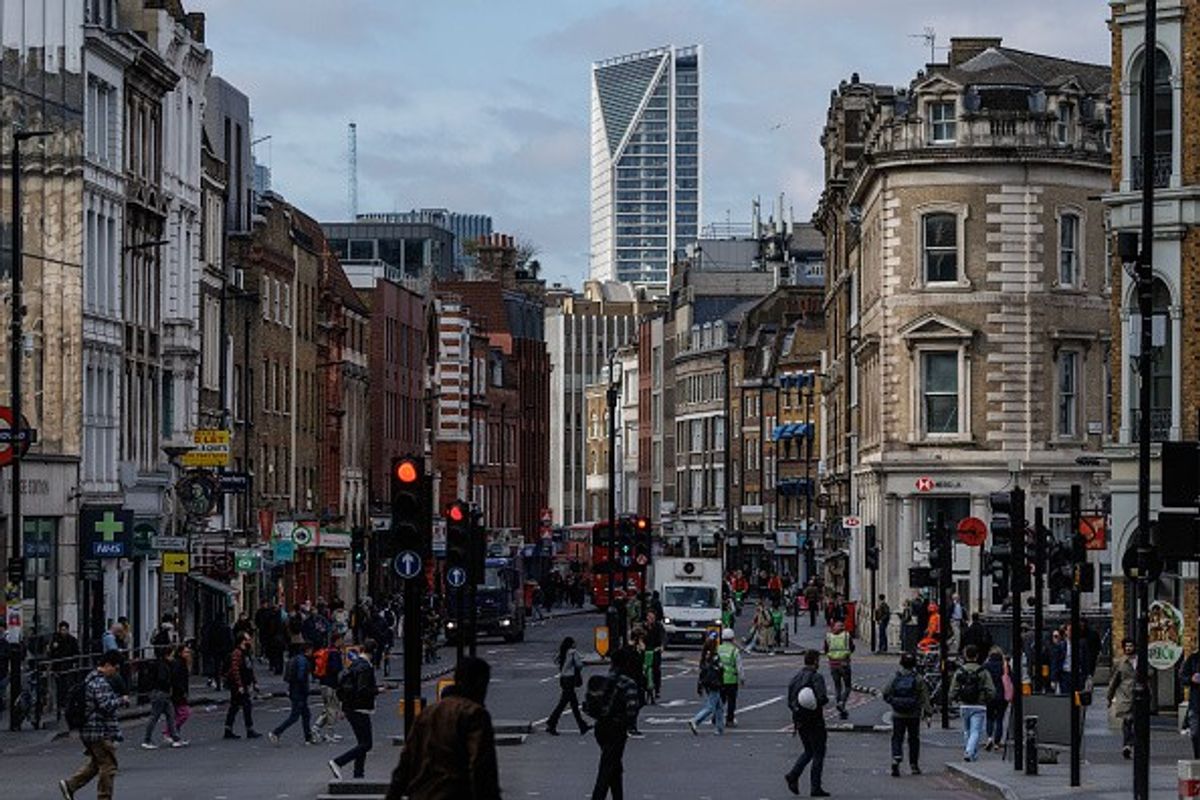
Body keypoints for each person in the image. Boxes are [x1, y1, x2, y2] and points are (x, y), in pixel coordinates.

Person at [387, 655, 499, 799]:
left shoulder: (427, 713)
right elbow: (481, 766)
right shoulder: (474, 714)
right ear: (479, 683)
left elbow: (405, 764)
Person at [59, 650, 130, 800]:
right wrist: (121, 700)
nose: (116, 672)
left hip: (90, 729)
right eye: (115, 668)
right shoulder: (100, 682)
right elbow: (106, 705)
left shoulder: (90, 678)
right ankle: (104, 797)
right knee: (109, 766)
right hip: (98, 730)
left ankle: (70, 785)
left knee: (97, 763)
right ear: (107, 665)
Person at [588, 646, 642, 800]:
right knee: (607, 768)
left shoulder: (604, 679)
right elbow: (633, 708)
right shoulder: (627, 683)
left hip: (600, 727)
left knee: (614, 765)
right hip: (617, 728)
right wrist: (628, 723)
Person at [329, 643, 380, 779]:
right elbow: (362, 689)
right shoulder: (365, 667)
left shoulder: (355, 664)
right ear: (372, 653)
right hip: (359, 708)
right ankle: (338, 762)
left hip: (352, 707)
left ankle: (358, 774)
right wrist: (377, 690)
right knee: (367, 744)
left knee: (362, 743)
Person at [784, 650, 830, 797]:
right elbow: (822, 698)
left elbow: (790, 702)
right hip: (815, 720)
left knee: (808, 750)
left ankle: (793, 775)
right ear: (815, 661)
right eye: (818, 660)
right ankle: (815, 787)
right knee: (818, 753)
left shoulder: (795, 678)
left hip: (800, 720)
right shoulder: (817, 677)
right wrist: (820, 702)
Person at [883, 652, 931, 776]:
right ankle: (914, 765)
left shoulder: (896, 677)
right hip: (914, 714)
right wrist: (928, 712)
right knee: (914, 739)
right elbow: (925, 697)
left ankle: (896, 758)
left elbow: (885, 692)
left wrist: (892, 702)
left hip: (898, 713)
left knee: (897, 737)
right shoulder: (918, 678)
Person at [949, 644, 996, 761]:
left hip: (964, 704)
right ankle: (970, 752)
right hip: (979, 705)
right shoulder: (983, 671)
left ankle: (971, 753)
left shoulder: (960, 671)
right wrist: (986, 699)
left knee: (967, 731)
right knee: (976, 731)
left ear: (965, 655)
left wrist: (953, 699)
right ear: (977, 656)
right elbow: (991, 690)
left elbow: (953, 689)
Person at [270, 642, 316, 745]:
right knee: (295, 716)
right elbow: (301, 677)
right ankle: (276, 732)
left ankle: (308, 737)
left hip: (294, 690)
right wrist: (305, 689)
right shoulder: (303, 661)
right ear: (307, 650)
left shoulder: (296, 659)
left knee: (306, 714)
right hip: (299, 692)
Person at [141, 644, 186, 749]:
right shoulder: (163, 666)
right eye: (171, 655)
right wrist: (169, 684)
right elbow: (162, 679)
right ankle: (147, 740)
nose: (172, 658)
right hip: (161, 693)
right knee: (155, 717)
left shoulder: (161, 664)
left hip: (162, 693)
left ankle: (176, 738)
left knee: (171, 716)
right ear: (167, 655)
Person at [546, 636, 589, 735]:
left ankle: (582, 726)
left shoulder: (563, 652)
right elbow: (579, 665)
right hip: (570, 679)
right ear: (571, 644)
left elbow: (555, 660)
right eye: (574, 642)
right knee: (564, 704)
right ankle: (551, 723)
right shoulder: (573, 652)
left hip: (563, 678)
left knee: (573, 704)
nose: (575, 644)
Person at [223, 632, 261, 740]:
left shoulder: (246, 652)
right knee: (245, 706)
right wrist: (239, 685)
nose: (250, 640)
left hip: (243, 683)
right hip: (238, 684)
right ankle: (249, 729)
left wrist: (255, 682)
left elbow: (249, 668)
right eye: (248, 639)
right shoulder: (237, 653)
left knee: (235, 706)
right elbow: (235, 669)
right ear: (242, 641)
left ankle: (228, 729)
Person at [689, 634, 725, 736]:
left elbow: (702, 672)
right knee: (711, 707)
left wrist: (700, 686)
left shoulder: (704, 657)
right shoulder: (715, 657)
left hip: (707, 683)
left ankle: (720, 729)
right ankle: (695, 721)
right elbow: (721, 669)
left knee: (719, 707)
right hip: (715, 684)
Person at [1107, 637, 1136, 759]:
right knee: (1127, 720)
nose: (1129, 648)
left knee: (1137, 722)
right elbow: (1114, 681)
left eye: (1131, 646)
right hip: (1125, 695)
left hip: (1139, 696)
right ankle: (1127, 745)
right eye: (1127, 646)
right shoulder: (1120, 663)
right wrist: (1109, 697)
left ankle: (1130, 743)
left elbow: (1150, 673)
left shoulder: (1141, 661)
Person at [314, 633, 346, 742]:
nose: (343, 642)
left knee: (329, 708)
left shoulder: (329, 651)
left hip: (325, 683)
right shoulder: (334, 653)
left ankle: (316, 728)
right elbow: (335, 668)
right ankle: (329, 733)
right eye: (342, 639)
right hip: (330, 684)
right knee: (332, 709)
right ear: (337, 640)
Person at [823, 619, 854, 720]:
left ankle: (840, 705)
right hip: (844, 663)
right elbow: (852, 648)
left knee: (837, 686)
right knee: (848, 686)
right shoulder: (846, 636)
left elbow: (825, 649)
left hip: (833, 664)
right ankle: (842, 703)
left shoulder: (828, 637)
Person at [982, 646, 1011, 752]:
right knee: (999, 719)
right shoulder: (1004, 666)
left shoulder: (986, 666)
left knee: (989, 717)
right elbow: (1010, 679)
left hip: (990, 695)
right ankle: (997, 742)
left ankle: (989, 737)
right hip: (1002, 695)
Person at [48, 621, 81, 710]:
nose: (63, 632)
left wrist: (74, 663)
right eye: (62, 630)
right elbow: (51, 652)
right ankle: (60, 703)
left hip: (68, 666)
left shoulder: (72, 640)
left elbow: (76, 652)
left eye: (65, 630)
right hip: (58, 666)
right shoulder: (55, 639)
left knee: (66, 685)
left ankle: (65, 703)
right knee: (59, 686)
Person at [717, 628, 745, 728]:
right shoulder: (734, 650)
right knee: (731, 702)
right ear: (733, 638)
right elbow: (739, 666)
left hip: (719, 679)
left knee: (720, 700)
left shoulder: (718, 649)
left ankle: (716, 717)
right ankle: (729, 720)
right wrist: (742, 678)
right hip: (731, 679)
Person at [1180, 644, 1200, 759]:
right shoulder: (1194, 658)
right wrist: (1191, 679)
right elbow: (1183, 676)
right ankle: (1198, 759)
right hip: (1196, 704)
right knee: (1195, 734)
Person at [643, 611, 665, 702]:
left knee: (656, 669)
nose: (651, 619)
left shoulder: (658, 626)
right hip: (645, 650)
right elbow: (637, 636)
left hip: (655, 650)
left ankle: (657, 690)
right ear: (647, 618)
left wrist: (662, 646)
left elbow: (663, 637)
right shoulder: (642, 627)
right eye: (649, 617)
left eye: (653, 617)